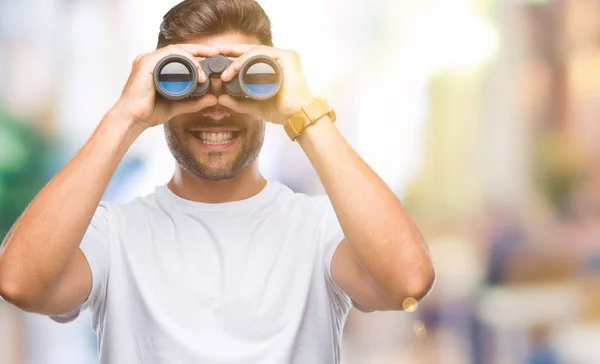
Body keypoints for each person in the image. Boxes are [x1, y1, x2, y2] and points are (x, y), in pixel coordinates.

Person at [0, 0, 435, 363]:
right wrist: (125, 117)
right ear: (155, 86)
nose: (215, 108)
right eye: (185, 79)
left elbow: (407, 282)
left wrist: (305, 110)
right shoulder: (112, 234)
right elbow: (19, 283)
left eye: (246, 81)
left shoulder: (320, 228)